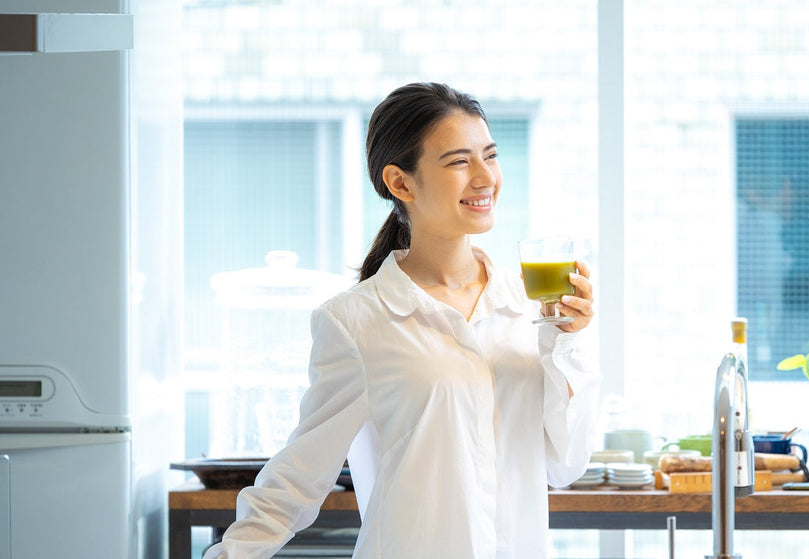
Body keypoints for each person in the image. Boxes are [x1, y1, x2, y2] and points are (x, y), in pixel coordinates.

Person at [203, 82, 600, 558]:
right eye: (458, 161)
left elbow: (566, 465)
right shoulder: (356, 321)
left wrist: (565, 342)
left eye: (489, 156)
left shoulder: (530, 306)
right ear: (401, 183)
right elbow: (297, 479)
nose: (484, 177)